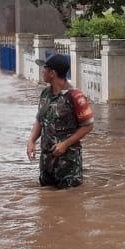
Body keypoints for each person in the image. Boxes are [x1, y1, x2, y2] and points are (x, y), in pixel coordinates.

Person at [26, 53, 95, 188]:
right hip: (47, 164)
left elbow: (88, 126)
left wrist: (65, 144)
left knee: (70, 202)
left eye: (44, 68)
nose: (42, 71)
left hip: (68, 166)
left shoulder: (75, 96)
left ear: (52, 73)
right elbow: (40, 121)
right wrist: (31, 141)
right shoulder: (45, 94)